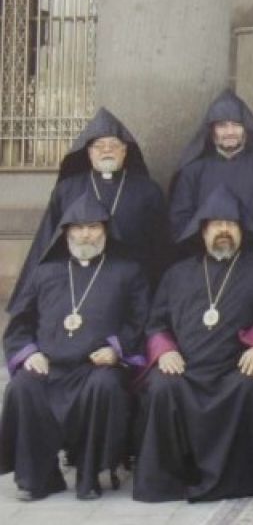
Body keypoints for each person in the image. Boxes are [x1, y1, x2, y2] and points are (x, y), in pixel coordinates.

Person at [133, 186, 253, 502]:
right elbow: (155, 323)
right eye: (216, 224)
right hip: (186, 368)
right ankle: (171, 480)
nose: (224, 231)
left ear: (242, 230)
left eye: (231, 224)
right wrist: (165, 351)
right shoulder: (176, 274)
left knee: (250, 386)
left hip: (233, 368)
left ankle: (238, 480)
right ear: (202, 231)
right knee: (162, 387)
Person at [1, 193, 148, 501]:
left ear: (106, 230)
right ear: (65, 232)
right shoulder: (45, 272)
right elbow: (20, 324)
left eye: (93, 226)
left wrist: (115, 350)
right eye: (77, 228)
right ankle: (39, 477)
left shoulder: (127, 270)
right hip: (50, 365)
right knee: (21, 389)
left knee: (104, 388)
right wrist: (31, 354)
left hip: (96, 367)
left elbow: (140, 321)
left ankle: (89, 473)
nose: (85, 234)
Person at [11, 107, 168, 299]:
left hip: (130, 284)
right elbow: (48, 241)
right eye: (99, 146)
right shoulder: (67, 190)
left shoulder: (148, 190)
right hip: (77, 280)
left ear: (125, 151)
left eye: (113, 145)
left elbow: (160, 246)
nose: (107, 150)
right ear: (89, 153)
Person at [169, 89, 253, 267]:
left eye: (236, 125)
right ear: (212, 132)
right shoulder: (193, 172)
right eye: (222, 125)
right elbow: (180, 223)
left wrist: (248, 247)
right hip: (204, 264)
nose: (229, 132)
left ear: (246, 130)